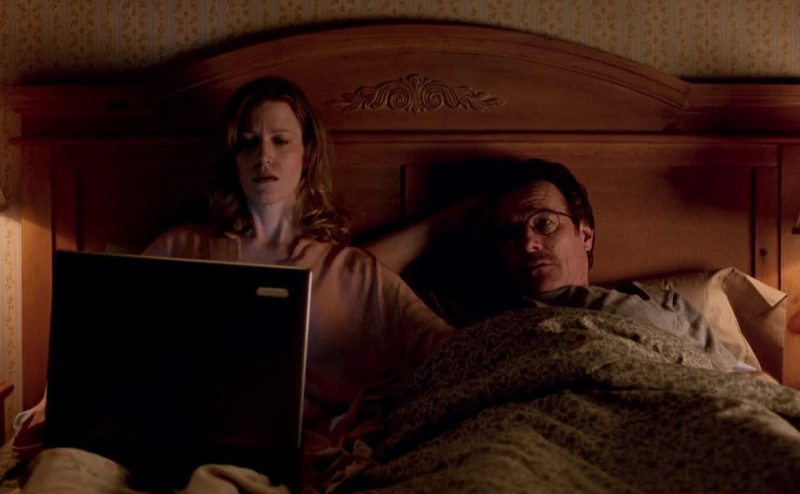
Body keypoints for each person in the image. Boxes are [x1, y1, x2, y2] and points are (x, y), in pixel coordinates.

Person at [13, 76, 455, 492]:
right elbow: (100, 344)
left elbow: (451, 347)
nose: (264, 156)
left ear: (307, 154)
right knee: (60, 469)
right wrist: (55, 403)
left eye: (280, 141)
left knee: (216, 484)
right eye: (248, 142)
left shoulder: (352, 272)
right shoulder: (180, 246)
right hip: (150, 432)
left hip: (252, 453)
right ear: (234, 157)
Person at [367, 158, 745, 373]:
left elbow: (747, 384)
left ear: (585, 234)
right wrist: (448, 221)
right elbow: (354, 275)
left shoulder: (664, 305)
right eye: (509, 234)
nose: (527, 242)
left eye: (544, 223)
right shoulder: (469, 310)